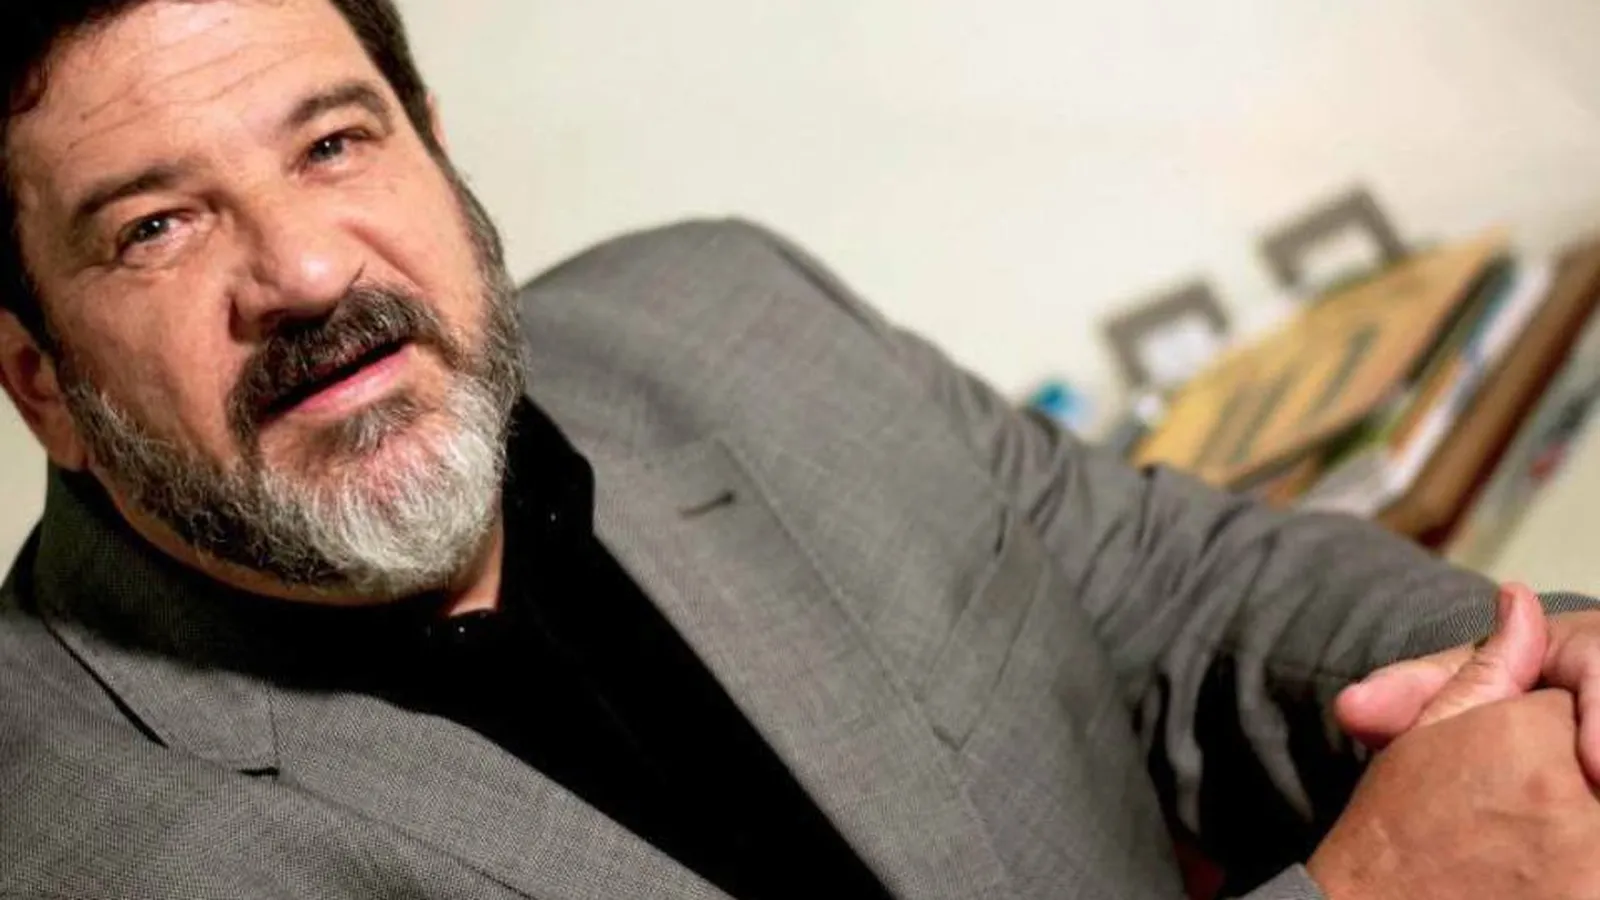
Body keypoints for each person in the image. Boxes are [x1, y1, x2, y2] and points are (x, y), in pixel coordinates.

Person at [3, 2, 1600, 898]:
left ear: (432, 141)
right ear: (41, 384)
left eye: (335, 140)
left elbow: (1176, 584)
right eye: (155, 226)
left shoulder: (728, 314)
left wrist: (1542, 672)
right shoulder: (73, 846)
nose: (303, 270)